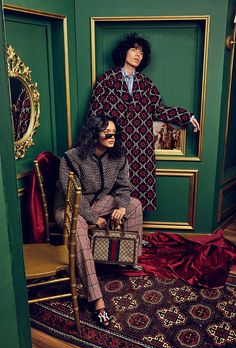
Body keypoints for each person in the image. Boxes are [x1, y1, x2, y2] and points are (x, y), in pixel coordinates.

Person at [88, 32, 200, 211]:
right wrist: (93, 146)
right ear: (124, 52)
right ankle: (114, 236)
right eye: (133, 50)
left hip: (141, 149)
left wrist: (187, 116)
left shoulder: (146, 84)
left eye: (141, 52)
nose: (137, 54)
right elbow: (94, 116)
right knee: (113, 194)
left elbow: (160, 110)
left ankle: (133, 236)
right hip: (114, 147)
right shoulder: (106, 80)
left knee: (138, 195)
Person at [54, 115, 143, 328]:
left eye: (115, 132)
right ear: (94, 134)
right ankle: (97, 300)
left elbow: (123, 187)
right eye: (107, 133)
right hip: (68, 207)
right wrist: (96, 219)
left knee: (134, 205)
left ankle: (129, 257)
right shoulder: (71, 158)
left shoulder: (118, 157)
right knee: (78, 230)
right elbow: (71, 195)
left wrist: (121, 206)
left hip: (96, 201)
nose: (113, 136)